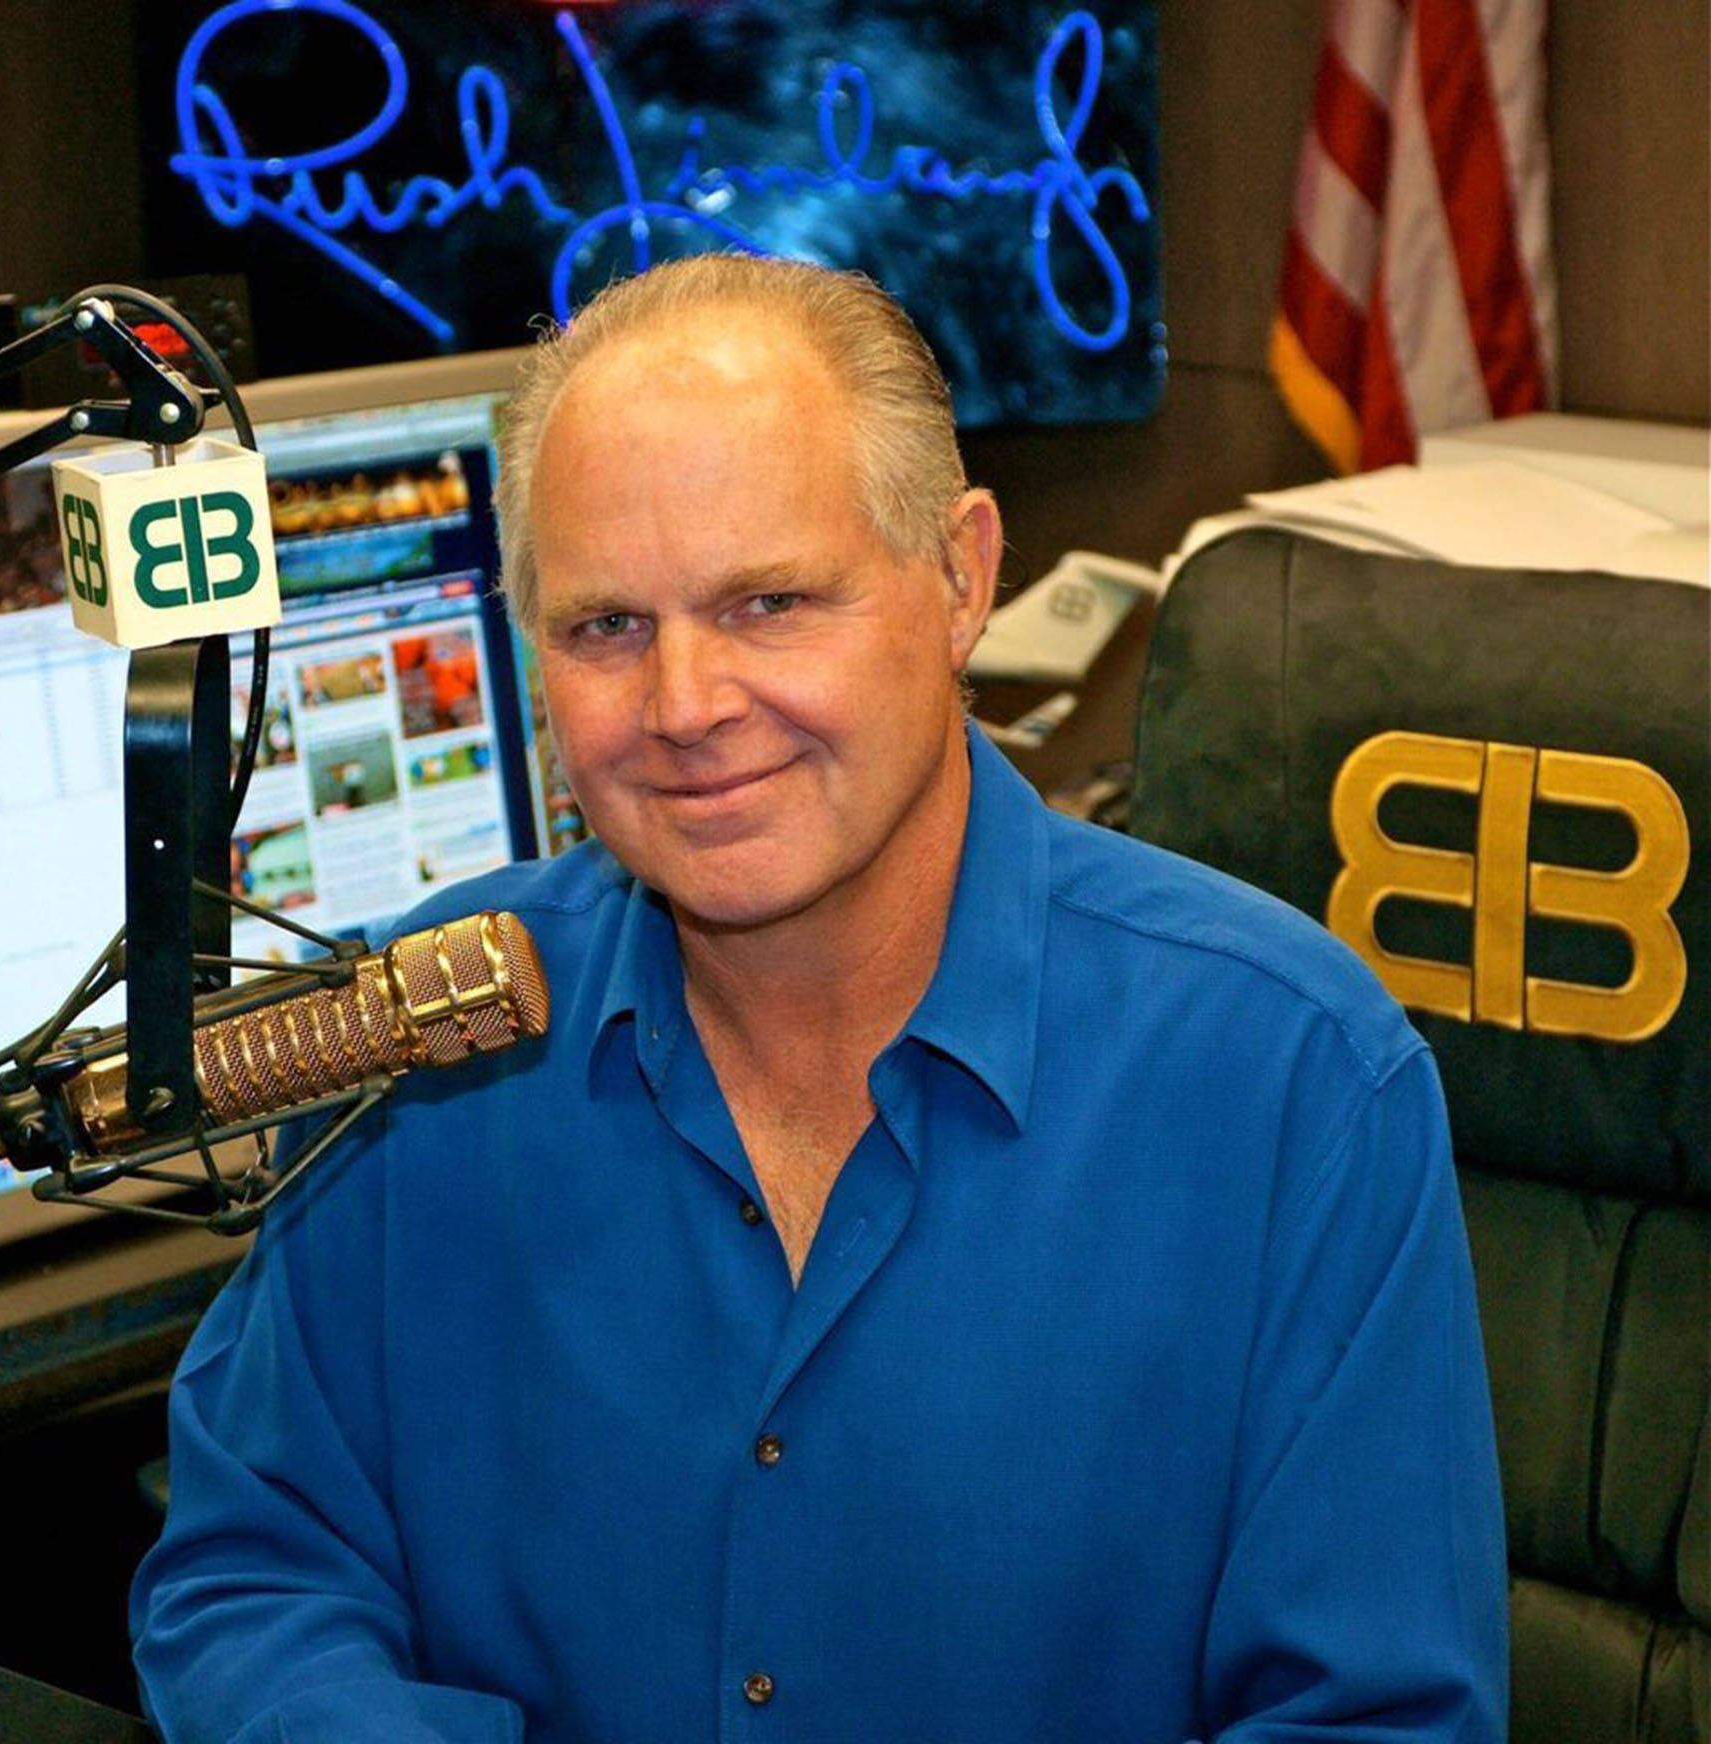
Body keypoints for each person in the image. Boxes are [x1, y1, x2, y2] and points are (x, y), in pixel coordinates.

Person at [131, 258, 1507, 1743]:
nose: (685, 707)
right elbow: (258, 1575)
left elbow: (1374, 1720)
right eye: (607, 628)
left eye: (770, 602)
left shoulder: (1294, 1077)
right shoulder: (420, 1032)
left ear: (963, 577)